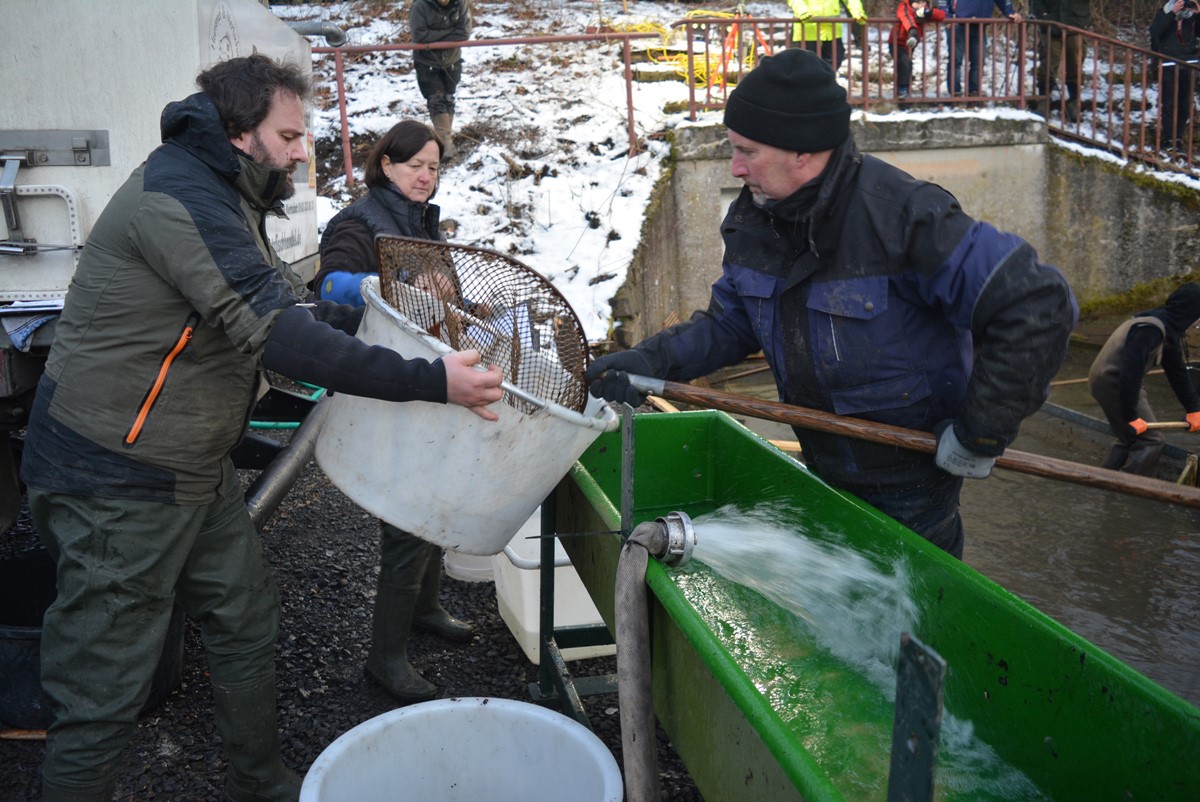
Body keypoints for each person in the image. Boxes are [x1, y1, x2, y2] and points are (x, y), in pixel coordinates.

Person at [19, 56, 503, 802]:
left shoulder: (227, 190)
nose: (304, 149)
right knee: (103, 693)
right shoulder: (177, 198)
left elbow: (293, 301)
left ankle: (261, 780)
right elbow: (274, 331)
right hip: (113, 474)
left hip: (191, 465)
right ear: (241, 133)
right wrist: (433, 382)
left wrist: (382, 316)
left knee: (245, 617)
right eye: (291, 134)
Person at [584, 49, 1077, 560]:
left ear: (802, 150)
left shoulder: (905, 217)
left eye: (747, 151)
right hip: (825, 465)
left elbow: (1036, 304)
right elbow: (734, 321)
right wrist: (651, 361)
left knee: (910, 615)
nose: (735, 167)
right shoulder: (755, 219)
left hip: (912, 482)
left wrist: (980, 431)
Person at [315, 120, 475, 704]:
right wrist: (399, 281)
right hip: (385, 379)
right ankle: (386, 659)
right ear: (386, 165)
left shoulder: (421, 222)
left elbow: (440, 295)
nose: (426, 178)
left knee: (436, 494)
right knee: (409, 515)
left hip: (428, 376)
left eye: (434, 168)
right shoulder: (360, 222)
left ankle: (427, 607)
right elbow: (330, 285)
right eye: (415, 167)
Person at [1087, 284, 1200, 476]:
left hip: (1113, 380)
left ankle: (1103, 482)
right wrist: (1131, 416)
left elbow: (1177, 372)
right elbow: (1130, 373)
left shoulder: (1167, 327)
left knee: (1130, 438)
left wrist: (1193, 409)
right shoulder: (1149, 329)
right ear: (1190, 312)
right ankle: (1129, 490)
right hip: (1113, 381)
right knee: (1151, 440)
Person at [411, 0, 472, 160]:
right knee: (436, 100)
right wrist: (450, 33)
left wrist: (434, 38)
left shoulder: (460, 3)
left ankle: (445, 141)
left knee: (448, 98)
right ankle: (447, 144)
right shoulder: (420, 6)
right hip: (427, 61)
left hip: (452, 60)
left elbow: (464, 33)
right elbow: (420, 35)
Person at [1150, 0, 1200, 153]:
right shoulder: (1165, 11)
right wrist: (1172, 13)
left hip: (1189, 62)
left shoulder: (1193, 14)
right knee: (1169, 103)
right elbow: (1154, 32)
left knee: (1184, 105)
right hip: (1168, 63)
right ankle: (1168, 139)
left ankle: (1178, 138)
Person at [1030, 0, 1092, 123]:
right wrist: (1041, 14)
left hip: (1076, 22)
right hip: (1051, 22)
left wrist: (1084, 21)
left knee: (1075, 63)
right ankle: (1044, 101)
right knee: (1048, 62)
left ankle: (1074, 102)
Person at [945, 0, 1022, 98]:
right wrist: (946, 15)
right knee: (955, 61)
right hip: (957, 23)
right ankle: (954, 94)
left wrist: (1010, 11)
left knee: (978, 61)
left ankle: (974, 94)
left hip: (980, 24)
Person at [787, 0, 867, 71]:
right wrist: (802, 11)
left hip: (831, 30)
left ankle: (822, 84)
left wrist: (858, 12)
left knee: (835, 60)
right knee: (806, 65)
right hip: (808, 30)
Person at [890, 0, 945, 101]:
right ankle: (902, 90)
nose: (920, 5)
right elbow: (907, 18)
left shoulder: (924, 10)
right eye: (917, 2)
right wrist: (913, 31)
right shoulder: (904, 6)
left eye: (923, 2)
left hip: (911, 44)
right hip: (897, 42)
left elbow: (941, 15)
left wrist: (930, 13)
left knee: (905, 66)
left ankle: (903, 90)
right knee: (905, 63)